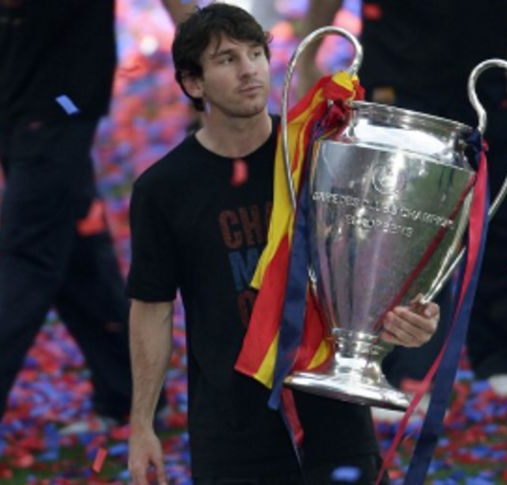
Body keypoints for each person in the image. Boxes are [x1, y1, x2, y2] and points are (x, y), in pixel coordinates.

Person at [125, 4, 441, 484]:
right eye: (227, 59)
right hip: (232, 430)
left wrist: (407, 318)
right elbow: (152, 307)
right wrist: (142, 424)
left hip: (334, 416)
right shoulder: (164, 189)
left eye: (255, 53)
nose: (249, 69)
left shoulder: (320, 155)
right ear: (193, 83)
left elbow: (371, 267)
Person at [298, 0, 507, 399]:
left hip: (491, 61)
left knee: (504, 218)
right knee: (393, 224)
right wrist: (310, 48)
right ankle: (391, 362)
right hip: (399, 64)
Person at [0, 0, 164, 451]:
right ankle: (126, 392)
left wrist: (207, 61)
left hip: (60, 113)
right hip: (10, 107)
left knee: (28, 251)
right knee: (74, 252)